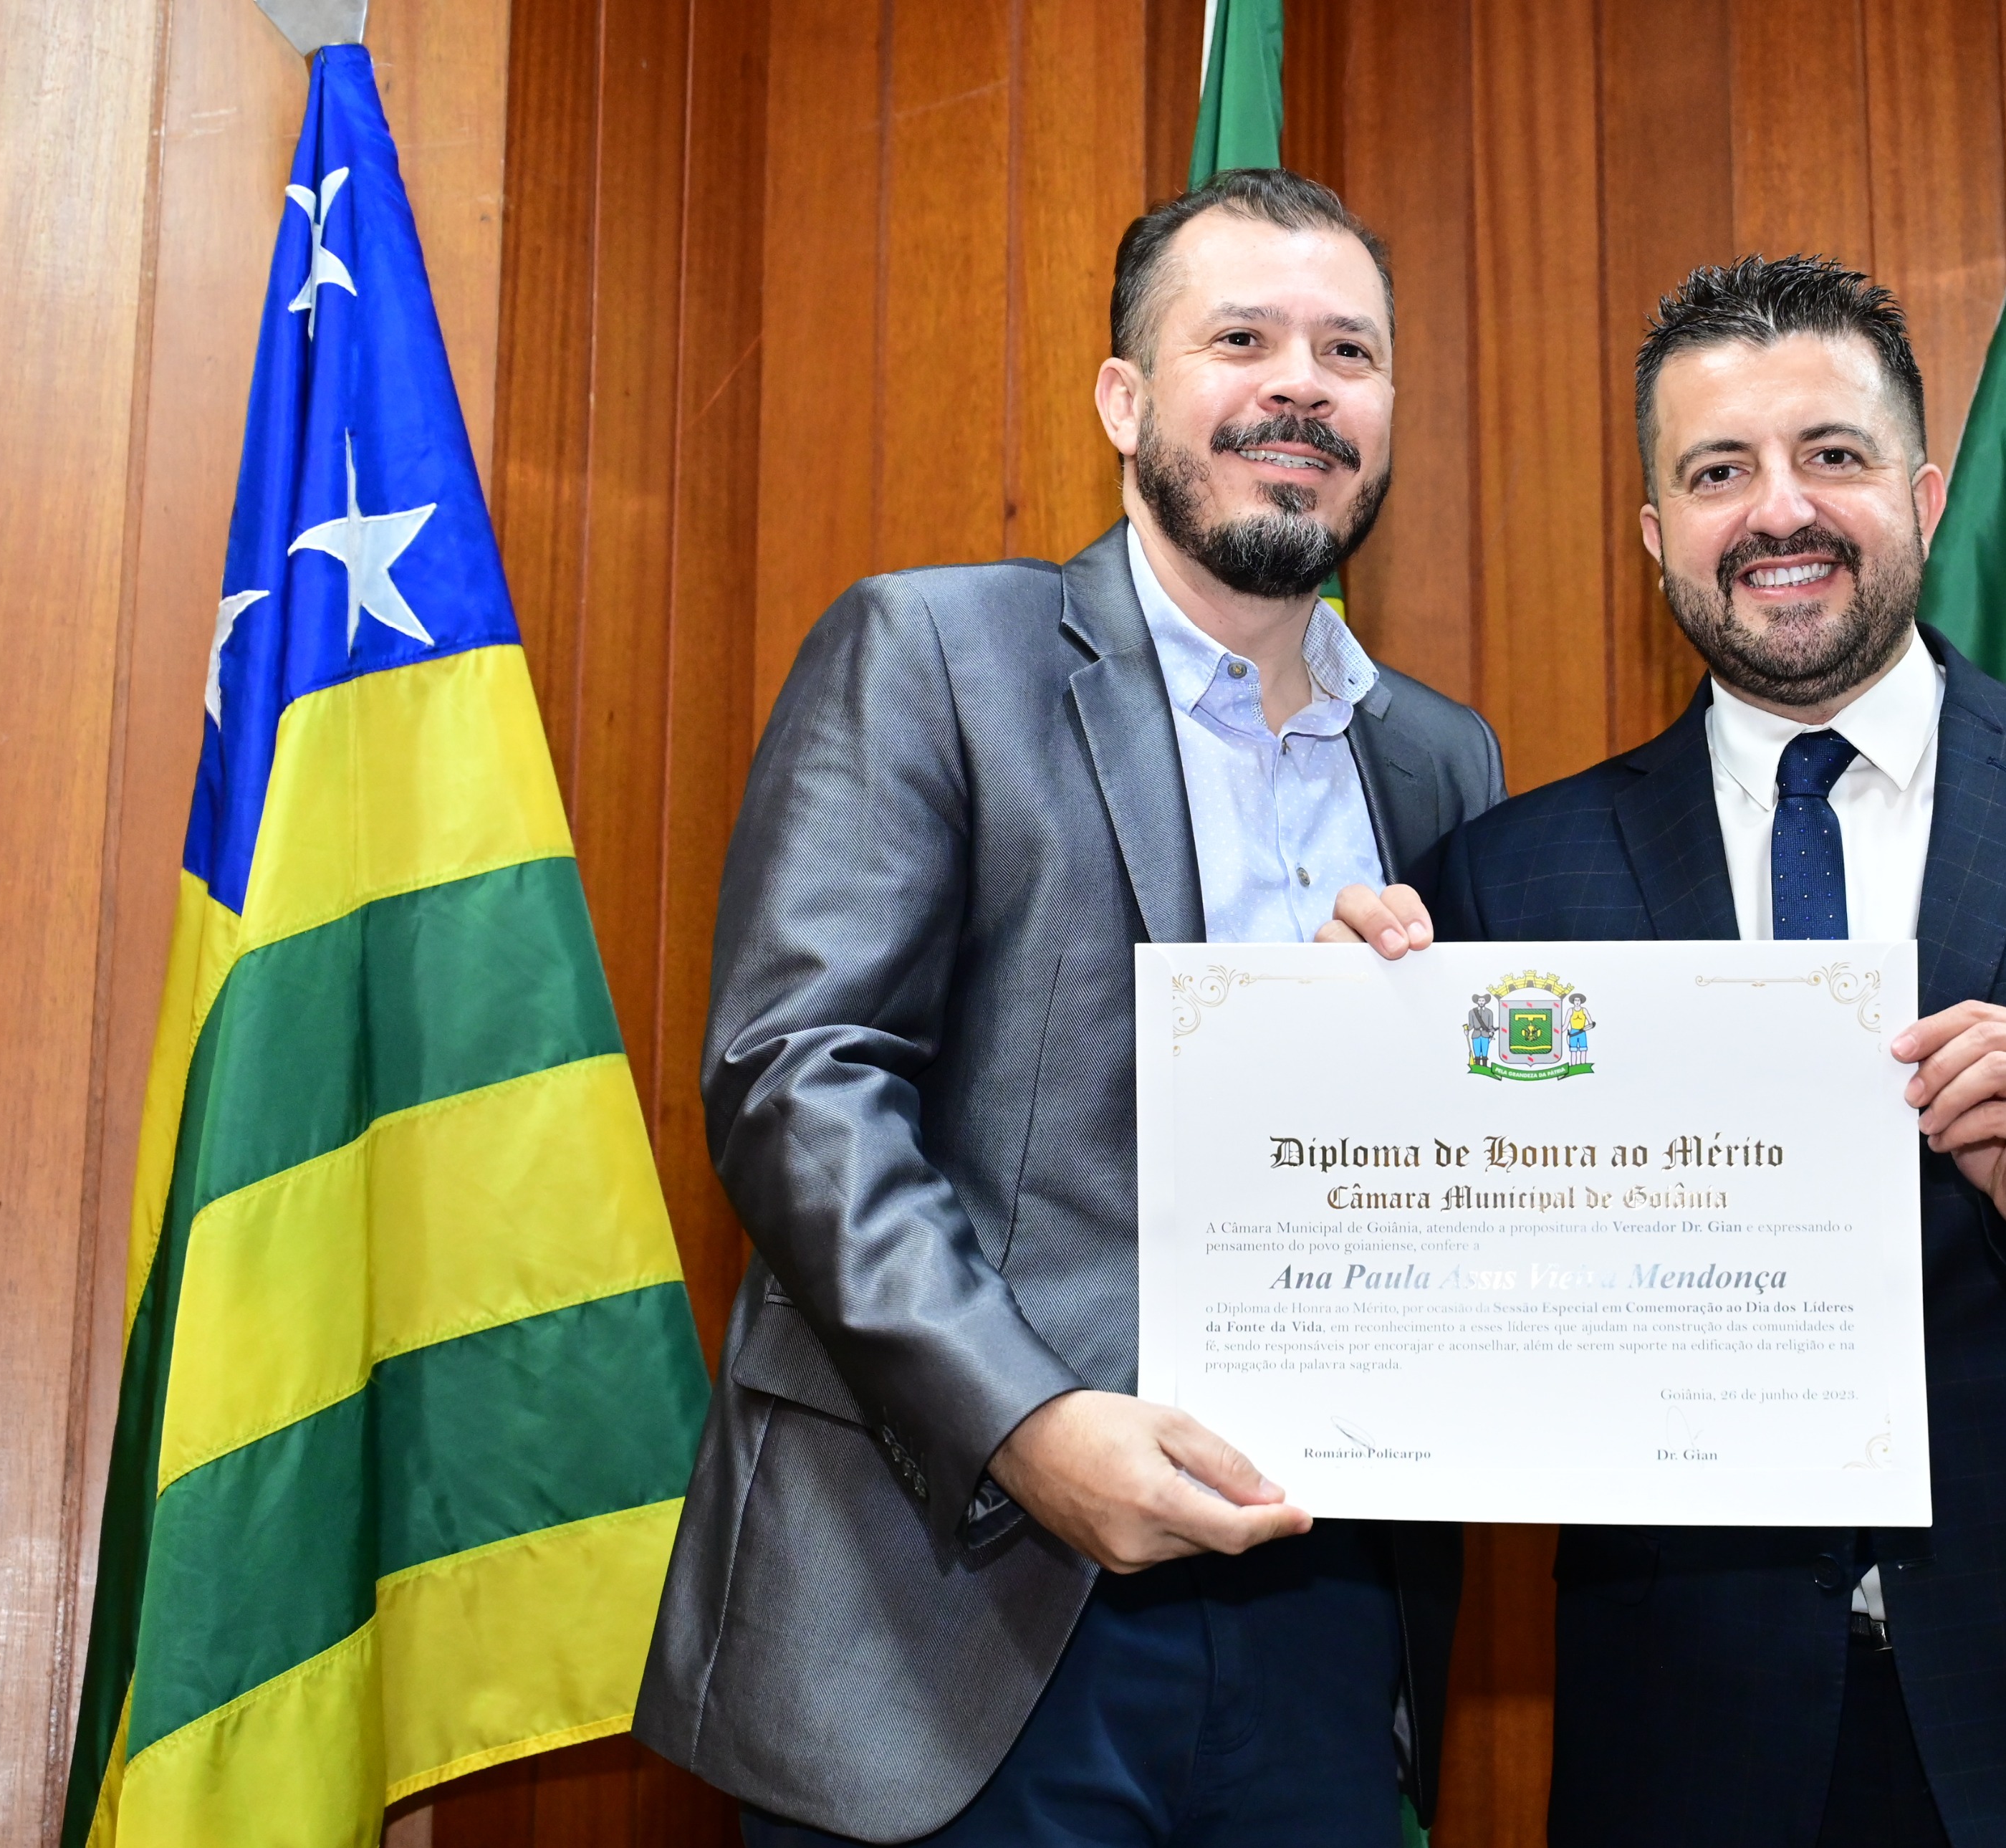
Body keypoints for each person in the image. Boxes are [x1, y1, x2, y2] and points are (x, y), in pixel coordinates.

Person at [1329, 256, 2006, 1847]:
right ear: (1656, 534)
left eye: (1830, 454)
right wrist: (1350, 1048)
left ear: (1918, 496)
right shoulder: (1518, 877)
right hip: (1697, 1752)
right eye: (1719, 471)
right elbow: (1440, 1281)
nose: (1778, 510)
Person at [639, 169, 1504, 1847]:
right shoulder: (933, 651)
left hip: (1324, 1623)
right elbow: (795, 1078)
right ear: (1122, 398)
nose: (1301, 386)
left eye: (1348, 352)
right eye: (1239, 339)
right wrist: (1025, 1428)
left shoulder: (1438, 758)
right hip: (953, 1605)